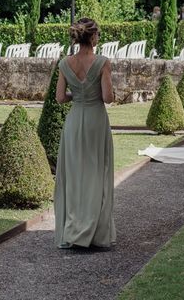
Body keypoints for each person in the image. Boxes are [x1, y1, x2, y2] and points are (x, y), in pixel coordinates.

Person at [55, 18, 116, 249]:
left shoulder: (64, 63)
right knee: (96, 175)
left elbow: (60, 98)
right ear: (93, 37)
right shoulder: (102, 62)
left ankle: (73, 230)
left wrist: (77, 96)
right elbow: (107, 97)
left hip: (74, 122)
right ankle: (95, 233)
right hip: (95, 122)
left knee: (74, 177)